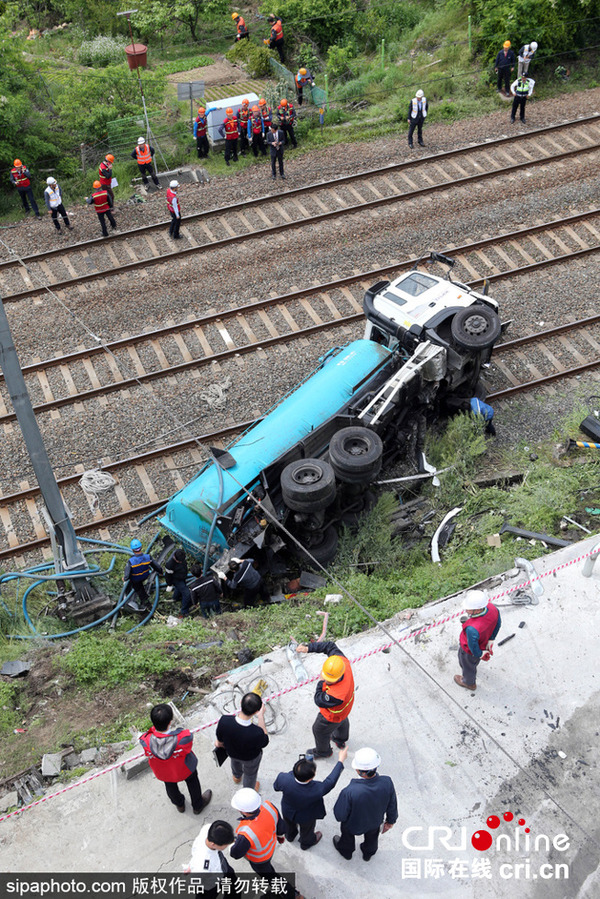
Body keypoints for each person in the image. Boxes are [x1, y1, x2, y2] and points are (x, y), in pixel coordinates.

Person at [140, 703, 212, 815]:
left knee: (170, 786)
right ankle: (198, 805)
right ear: (170, 722)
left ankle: (179, 804)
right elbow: (188, 740)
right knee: (193, 782)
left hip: (163, 772)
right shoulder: (183, 738)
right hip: (185, 769)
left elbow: (146, 736)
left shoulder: (145, 741)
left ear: (153, 722)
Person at [230, 789, 304, 898]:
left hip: (259, 860)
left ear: (244, 811)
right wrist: (280, 836)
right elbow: (281, 826)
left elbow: (236, 854)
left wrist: (232, 845)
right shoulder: (269, 806)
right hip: (270, 848)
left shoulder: (245, 832)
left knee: (271, 877)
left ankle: (292, 894)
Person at [273, 746, 347, 850]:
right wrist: (341, 761)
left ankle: (290, 836)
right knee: (307, 830)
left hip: (287, 810)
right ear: (311, 777)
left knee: (288, 825)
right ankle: (305, 843)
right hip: (306, 816)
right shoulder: (317, 789)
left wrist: (302, 767)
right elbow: (330, 781)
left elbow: (276, 787)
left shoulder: (283, 778)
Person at [333, 747, 397, 861]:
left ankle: (346, 852)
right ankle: (368, 853)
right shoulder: (387, 782)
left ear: (357, 770)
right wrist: (390, 821)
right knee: (372, 839)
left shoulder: (349, 791)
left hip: (352, 824)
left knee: (347, 837)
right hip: (375, 822)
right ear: (376, 766)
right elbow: (392, 803)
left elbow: (340, 815)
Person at [296, 639, 355, 759]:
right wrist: (309, 648)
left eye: (329, 680)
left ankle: (323, 752)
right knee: (342, 720)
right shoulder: (342, 662)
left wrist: (321, 682)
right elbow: (329, 645)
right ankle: (340, 739)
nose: (327, 680)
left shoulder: (336, 694)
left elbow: (318, 699)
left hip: (331, 716)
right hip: (345, 707)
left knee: (319, 730)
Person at [215, 692, 269, 790]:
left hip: (232, 752)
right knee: (250, 774)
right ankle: (248, 789)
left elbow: (219, 742)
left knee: (235, 762)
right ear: (256, 711)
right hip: (250, 759)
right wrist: (261, 716)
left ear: (240, 703)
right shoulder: (256, 733)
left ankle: (237, 776)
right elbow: (265, 740)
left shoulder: (224, 720)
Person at [454, 589, 501, 691]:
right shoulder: (492, 608)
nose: (466, 611)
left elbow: (473, 647)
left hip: (468, 652)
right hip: (484, 643)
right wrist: (491, 640)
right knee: (474, 662)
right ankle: (474, 664)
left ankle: (469, 682)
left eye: (469, 609)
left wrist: (480, 654)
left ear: (478, 610)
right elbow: (498, 623)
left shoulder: (472, 629)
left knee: (467, 665)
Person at [184, 820, 236, 898]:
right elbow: (193, 880)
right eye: (226, 844)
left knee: (234, 886)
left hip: (222, 867)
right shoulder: (204, 865)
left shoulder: (209, 829)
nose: (228, 845)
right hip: (212, 884)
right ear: (213, 844)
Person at [122, 537, 162, 609]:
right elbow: (156, 566)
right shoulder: (148, 557)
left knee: (139, 590)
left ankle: (145, 602)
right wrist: (161, 572)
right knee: (140, 584)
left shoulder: (131, 561)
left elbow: (127, 576)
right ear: (141, 547)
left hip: (136, 580)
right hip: (145, 576)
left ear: (132, 549)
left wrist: (124, 579)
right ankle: (145, 598)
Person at [164, 546, 191, 614]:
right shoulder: (169, 565)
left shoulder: (180, 553)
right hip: (177, 580)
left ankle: (176, 598)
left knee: (179, 589)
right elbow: (167, 576)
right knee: (187, 594)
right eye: (179, 561)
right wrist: (169, 584)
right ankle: (184, 611)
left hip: (183, 576)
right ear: (175, 559)